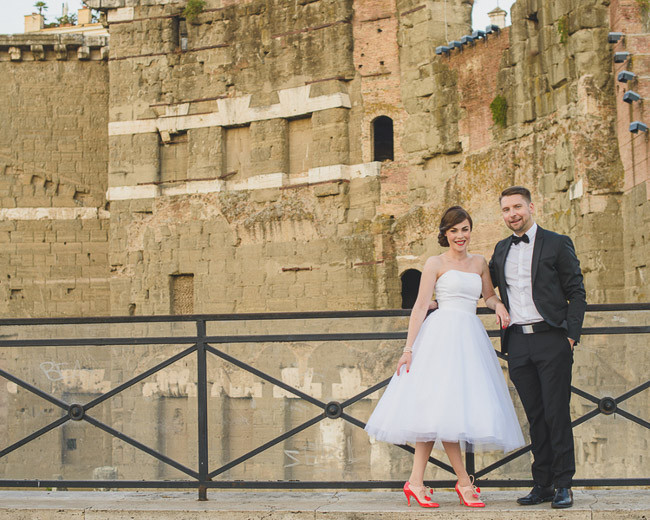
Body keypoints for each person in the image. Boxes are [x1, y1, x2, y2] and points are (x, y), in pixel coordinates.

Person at [365, 206, 525, 508]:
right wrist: (408, 349)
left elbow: (488, 296)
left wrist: (499, 306)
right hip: (440, 337)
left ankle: (417, 481)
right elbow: (420, 306)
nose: (460, 236)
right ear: (445, 234)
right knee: (441, 408)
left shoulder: (479, 262)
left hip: (469, 338)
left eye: (464, 229)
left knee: (439, 411)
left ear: (470, 230)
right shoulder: (434, 263)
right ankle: (463, 482)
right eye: (454, 231)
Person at [488, 186, 586, 509]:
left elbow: (576, 292)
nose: (512, 214)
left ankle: (563, 484)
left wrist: (570, 336)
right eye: (506, 209)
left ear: (531, 206)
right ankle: (541, 483)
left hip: (551, 339)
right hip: (518, 343)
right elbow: (482, 284)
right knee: (535, 415)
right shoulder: (501, 249)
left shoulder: (557, 243)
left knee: (557, 413)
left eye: (517, 207)